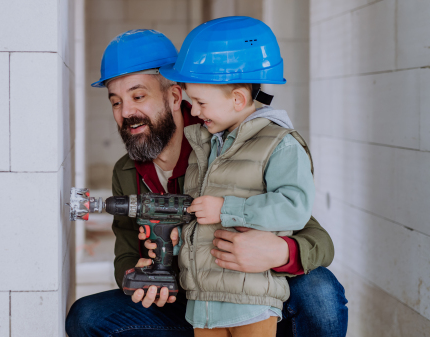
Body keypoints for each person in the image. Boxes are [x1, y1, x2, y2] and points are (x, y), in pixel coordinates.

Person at [66, 29, 348, 337]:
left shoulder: (222, 145)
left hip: (251, 297)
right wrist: (137, 272)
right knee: (87, 316)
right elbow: (125, 245)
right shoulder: (126, 172)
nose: (126, 113)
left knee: (320, 289)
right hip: (192, 302)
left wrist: (279, 252)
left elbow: (318, 240)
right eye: (116, 102)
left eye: (138, 96)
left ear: (174, 96)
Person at [158, 16, 314, 336]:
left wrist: (225, 209)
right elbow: (199, 212)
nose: (195, 111)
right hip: (203, 299)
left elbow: (295, 207)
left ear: (238, 99)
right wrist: (179, 241)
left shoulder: (279, 144)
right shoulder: (205, 144)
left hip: (251, 299)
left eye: (201, 102)